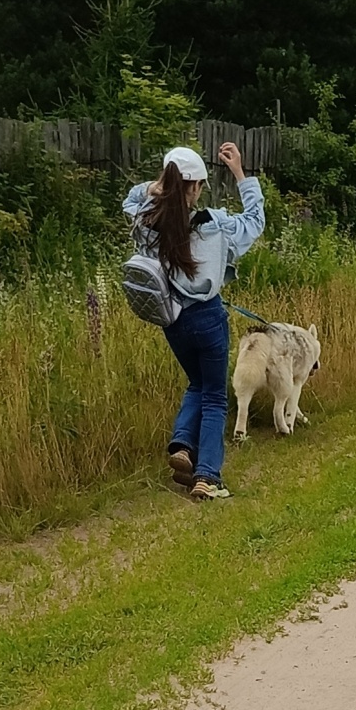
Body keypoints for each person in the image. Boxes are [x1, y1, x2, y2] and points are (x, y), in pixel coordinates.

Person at [123, 142, 266, 502]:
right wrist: (240, 174)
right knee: (216, 396)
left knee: (196, 385)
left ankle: (183, 446)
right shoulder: (213, 224)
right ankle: (208, 476)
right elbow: (255, 221)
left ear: (167, 182)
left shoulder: (146, 222)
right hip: (208, 317)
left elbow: (130, 199)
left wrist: (158, 187)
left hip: (172, 319)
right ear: (196, 186)